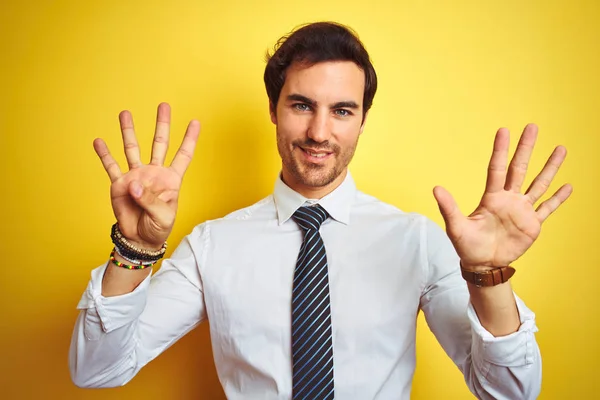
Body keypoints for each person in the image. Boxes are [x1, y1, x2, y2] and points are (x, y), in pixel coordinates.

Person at [69, 22, 572, 399]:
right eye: (302, 105)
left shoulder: (415, 241)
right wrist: (133, 251)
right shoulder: (211, 246)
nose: (319, 133)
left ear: (362, 121)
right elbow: (95, 370)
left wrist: (489, 276)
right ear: (274, 108)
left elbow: (510, 391)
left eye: (342, 111)